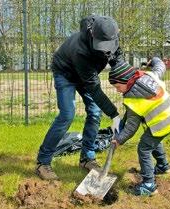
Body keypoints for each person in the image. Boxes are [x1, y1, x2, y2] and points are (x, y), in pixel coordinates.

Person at [36, 15, 124, 180]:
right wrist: (114, 114)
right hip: (66, 73)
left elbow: (118, 62)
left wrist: (131, 80)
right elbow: (94, 88)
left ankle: (87, 158)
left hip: (87, 75)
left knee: (95, 113)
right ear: (92, 35)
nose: (105, 49)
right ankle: (43, 162)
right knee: (67, 115)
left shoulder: (110, 35)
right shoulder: (81, 49)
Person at [109, 58, 170, 196]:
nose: (118, 91)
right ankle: (163, 166)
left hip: (163, 122)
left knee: (144, 148)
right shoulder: (149, 76)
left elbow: (131, 127)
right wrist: (153, 60)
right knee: (153, 139)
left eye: (118, 87)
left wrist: (119, 140)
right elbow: (160, 66)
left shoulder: (133, 100)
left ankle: (148, 185)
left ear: (127, 81)